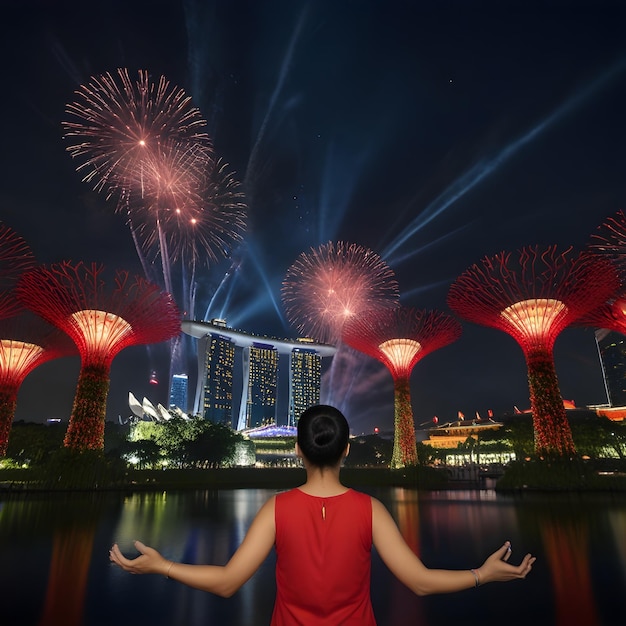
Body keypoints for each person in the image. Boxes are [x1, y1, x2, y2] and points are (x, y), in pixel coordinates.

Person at [110, 404, 536, 625]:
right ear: (347, 449)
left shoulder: (277, 509)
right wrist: (482, 573)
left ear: (297, 449)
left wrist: (162, 565)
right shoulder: (370, 510)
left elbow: (226, 583)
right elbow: (420, 582)